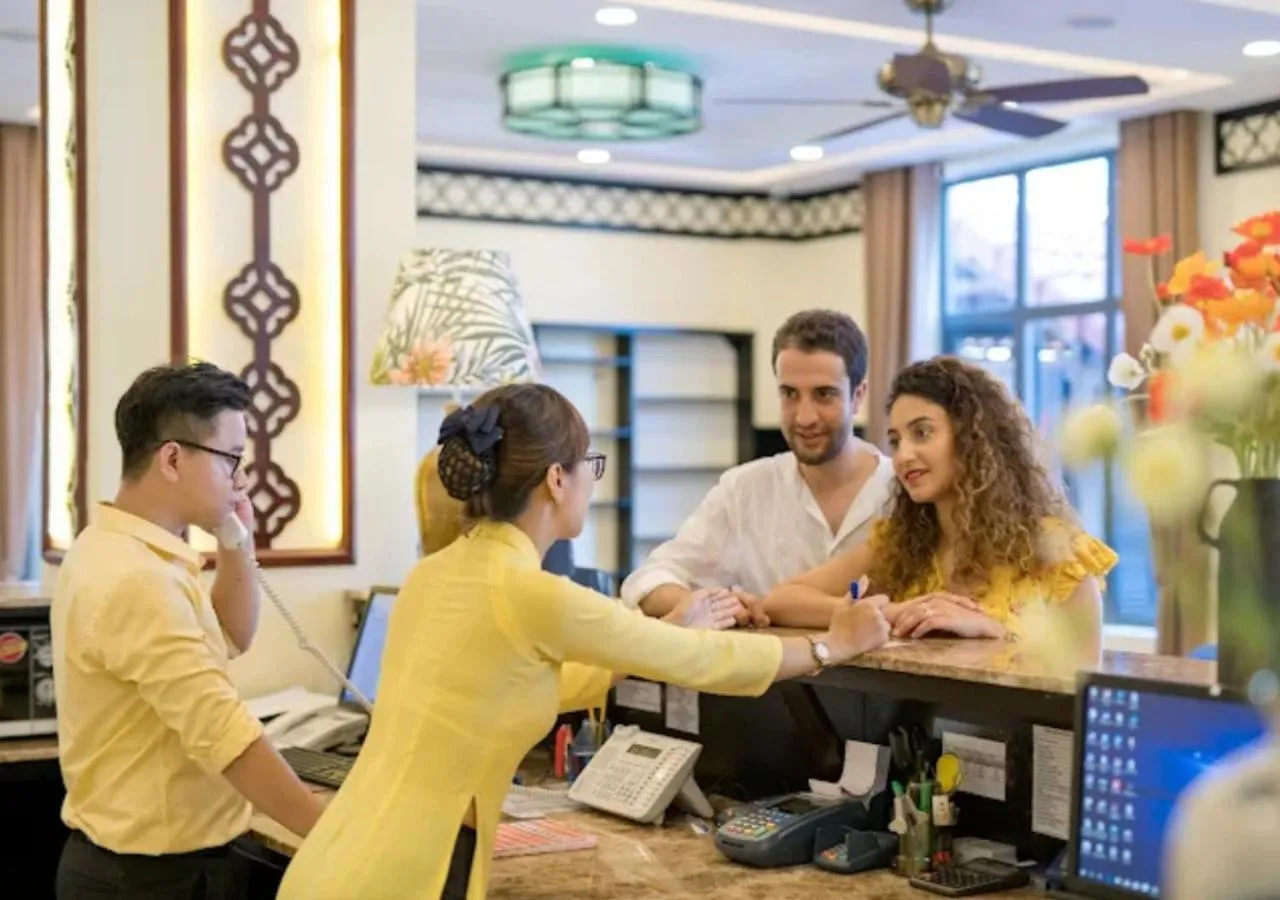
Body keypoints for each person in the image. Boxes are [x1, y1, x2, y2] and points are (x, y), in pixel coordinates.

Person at [276, 383, 893, 900]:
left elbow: (516, 677)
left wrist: (655, 637)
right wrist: (828, 647)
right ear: (555, 480)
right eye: (588, 466)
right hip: (412, 874)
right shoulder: (533, 593)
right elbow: (708, 661)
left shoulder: (433, 575)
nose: (590, 482)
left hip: (333, 859)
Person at [50, 362, 325, 899]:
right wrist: (330, 832)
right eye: (232, 461)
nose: (241, 479)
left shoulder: (121, 545)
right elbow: (224, 736)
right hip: (148, 879)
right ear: (173, 458)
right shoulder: (138, 579)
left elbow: (231, 635)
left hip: (148, 868)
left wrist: (235, 541)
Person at [763, 356, 1117, 643]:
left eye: (922, 433)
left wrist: (995, 631)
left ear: (971, 439)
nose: (903, 456)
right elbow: (781, 601)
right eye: (896, 440)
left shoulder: (1058, 552)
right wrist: (888, 612)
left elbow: (1079, 689)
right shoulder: (898, 542)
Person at [620, 309, 894, 623]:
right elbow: (649, 579)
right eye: (789, 394)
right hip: (775, 672)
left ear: (858, 396)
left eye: (824, 395)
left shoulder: (902, 490)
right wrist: (711, 605)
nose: (805, 417)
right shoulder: (745, 489)